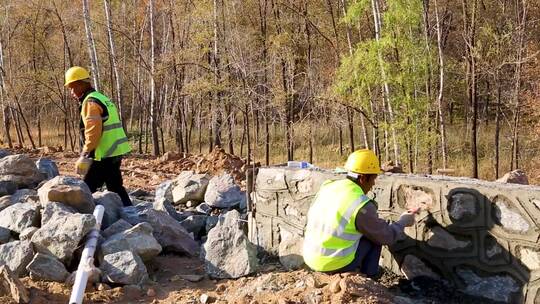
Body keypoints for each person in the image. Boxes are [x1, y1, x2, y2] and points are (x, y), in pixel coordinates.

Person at [303, 149, 417, 277]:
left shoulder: (329, 186)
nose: (373, 184)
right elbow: (386, 236)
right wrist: (403, 222)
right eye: (373, 178)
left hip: (311, 257)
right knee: (375, 238)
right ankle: (368, 281)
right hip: (332, 264)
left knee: (367, 231)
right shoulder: (359, 204)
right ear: (363, 178)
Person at [64, 66, 133, 206]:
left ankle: (84, 219)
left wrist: (85, 154)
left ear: (81, 85)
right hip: (115, 152)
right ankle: (130, 213)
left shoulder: (90, 102)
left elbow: (93, 132)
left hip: (103, 155)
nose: (71, 92)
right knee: (115, 187)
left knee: (87, 189)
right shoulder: (101, 97)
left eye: (72, 87)